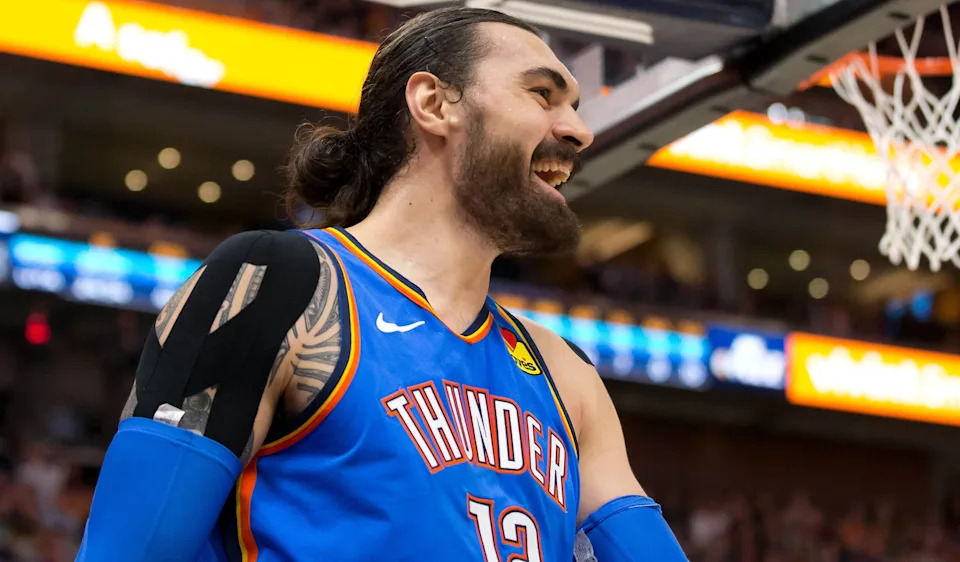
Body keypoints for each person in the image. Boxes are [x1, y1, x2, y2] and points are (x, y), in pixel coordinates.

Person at [77, 7, 687, 561]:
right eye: (543, 94)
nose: (579, 129)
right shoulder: (282, 286)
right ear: (435, 104)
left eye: (575, 106)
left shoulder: (565, 374)